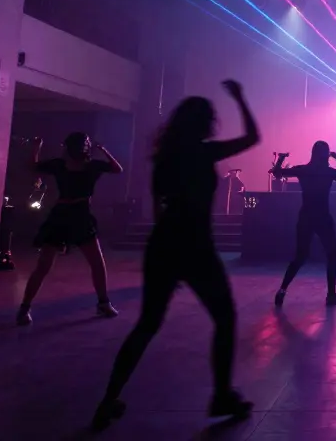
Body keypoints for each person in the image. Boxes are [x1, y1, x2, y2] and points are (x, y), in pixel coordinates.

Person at [93, 80, 260, 431]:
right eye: (212, 118)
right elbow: (251, 139)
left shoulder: (165, 157)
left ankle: (108, 399)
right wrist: (241, 98)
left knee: (147, 324)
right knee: (225, 318)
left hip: (164, 243)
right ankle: (222, 395)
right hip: (195, 244)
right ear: (204, 123)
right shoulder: (203, 152)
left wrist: (168, 252)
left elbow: (157, 208)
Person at [17, 132, 123, 325]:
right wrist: (103, 150)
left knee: (93, 263)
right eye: (87, 144)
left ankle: (103, 303)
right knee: (47, 265)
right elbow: (118, 169)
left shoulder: (78, 165)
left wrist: (37, 146)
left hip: (72, 215)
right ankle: (25, 308)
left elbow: (118, 169)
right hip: (69, 215)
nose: (88, 146)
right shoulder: (77, 165)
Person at [271, 141, 336, 306]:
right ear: (326, 154)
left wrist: (281, 159)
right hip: (323, 217)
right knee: (332, 254)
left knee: (300, 256)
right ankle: (331, 295)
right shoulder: (327, 172)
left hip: (306, 216)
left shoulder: (304, 170)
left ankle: (282, 289)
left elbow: (277, 173)